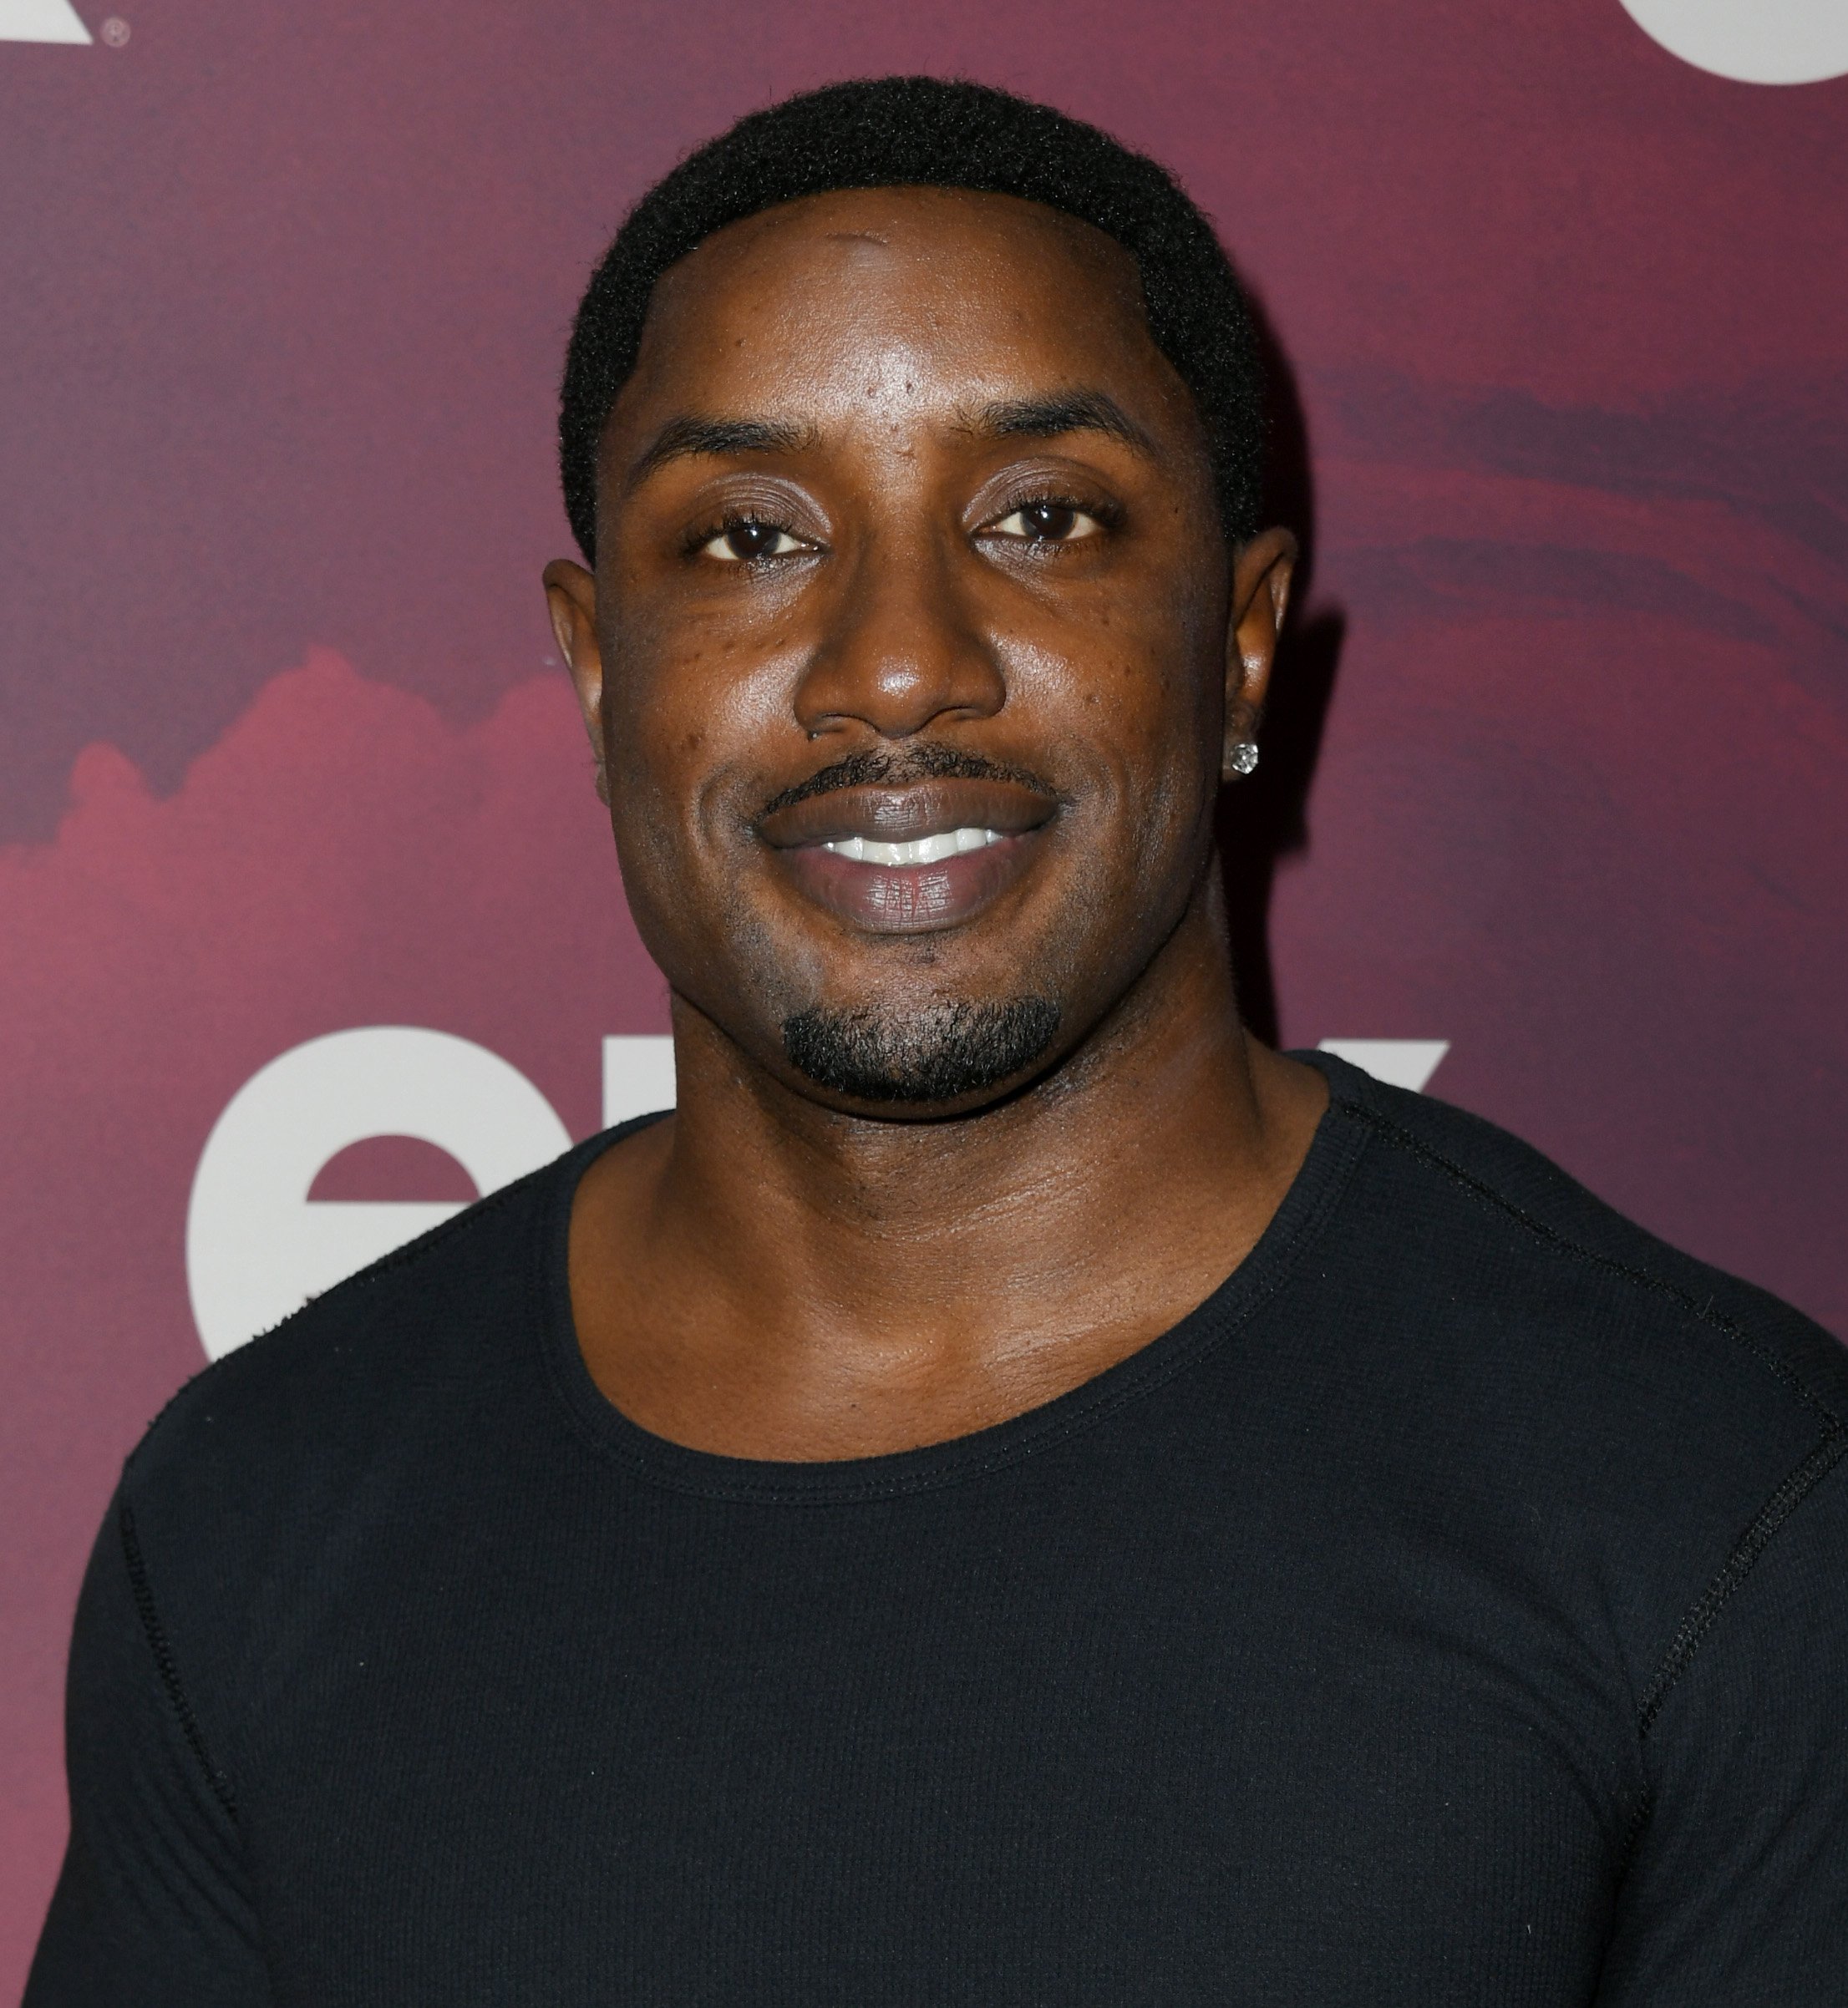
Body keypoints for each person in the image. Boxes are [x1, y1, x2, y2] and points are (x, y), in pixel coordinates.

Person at [27, 76, 1848, 2006]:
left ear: (1235, 641)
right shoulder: (254, 1521)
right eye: (745, 537)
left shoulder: (1702, 1496)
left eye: (1039, 517)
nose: (896, 661)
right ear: (591, 666)